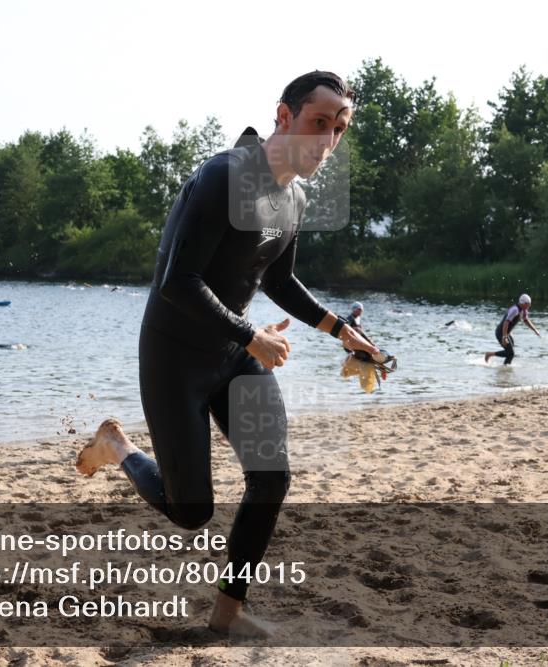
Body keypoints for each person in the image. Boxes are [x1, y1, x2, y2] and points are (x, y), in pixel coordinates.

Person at [74, 71, 377, 638]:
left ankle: (227, 616)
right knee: (191, 512)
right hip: (176, 358)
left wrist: (340, 330)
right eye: (319, 122)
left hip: (233, 352)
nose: (328, 140)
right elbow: (176, 281)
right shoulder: (224, 176)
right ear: (283, 117)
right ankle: (117, 447)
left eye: (339, 128)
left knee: (272, 477)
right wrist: (251, 337)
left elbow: (280, 281)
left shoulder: (296, 197)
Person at [484, 294, 541, 365]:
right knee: (511, 353)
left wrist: (535, 330)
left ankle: (505, 370)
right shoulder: (515, 310)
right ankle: (489, 354)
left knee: (510, 353)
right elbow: (506, 323)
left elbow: (526, 321)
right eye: (527, 304)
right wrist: (504, 337)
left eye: (529, 304)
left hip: (506, 333)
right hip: (500, 333)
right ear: (522, 303)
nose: (529, 306)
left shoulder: (524, 310)